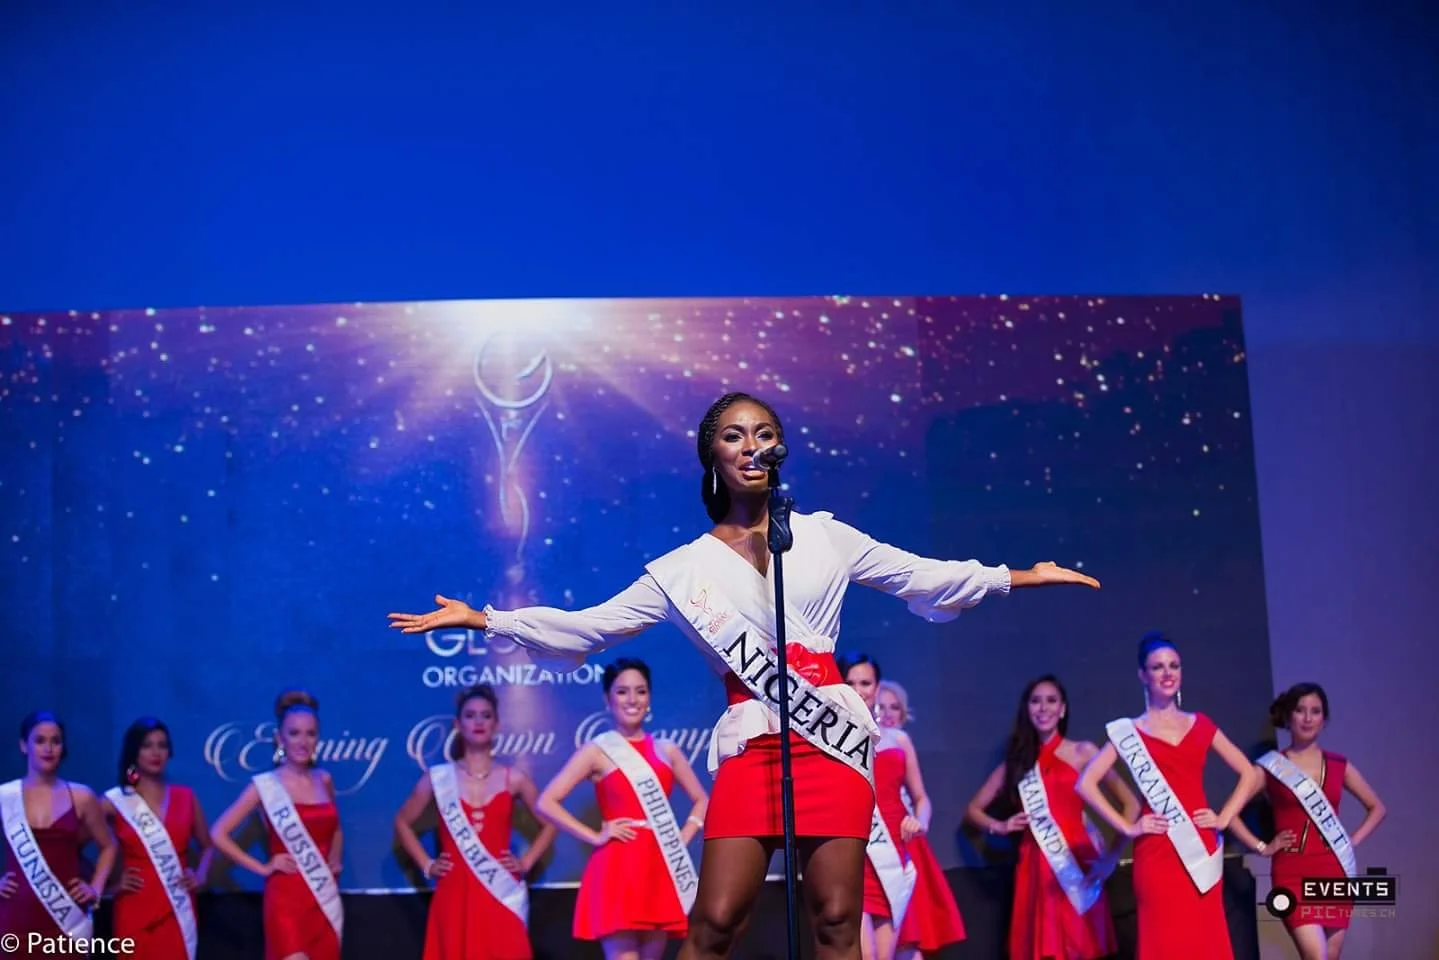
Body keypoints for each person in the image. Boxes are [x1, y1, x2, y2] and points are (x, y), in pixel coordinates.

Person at [390, 390, 1100, 960]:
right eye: (732, 434)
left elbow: (922, 574)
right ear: (711, 456)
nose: (749, 444)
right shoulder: (681, 570)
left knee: (835, 916)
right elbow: (592, 626)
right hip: (753, 744)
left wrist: (1021, 575)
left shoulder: (823, 535)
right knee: (718, 917)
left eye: (761, 432)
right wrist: (489, 620)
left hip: (830, 743)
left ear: (778, 450)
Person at [1076, 633, 1257, 960]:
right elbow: (1085, 783)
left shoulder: (1201, 724)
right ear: (1142, 675)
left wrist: (1224, 817)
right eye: (1157, 667)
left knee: (1205, 942)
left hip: (1199, 847)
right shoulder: (1129, 731)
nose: (1167, 672)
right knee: (1165, 944)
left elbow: (1250, 774)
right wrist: (1128, 827)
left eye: (1173, 665)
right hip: (1157, 853)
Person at [536, 658, 710, 960]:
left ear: (650, 697)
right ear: (608, 699)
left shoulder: (667, 750)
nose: (632, 700)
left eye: (640, 691)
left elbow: (703, 799)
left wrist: (683, 836)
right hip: (617, 865)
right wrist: (594, 835)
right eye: (622, 692)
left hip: (661, 863)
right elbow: (546, 801)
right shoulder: (598, 750)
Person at [965, 675, 1133, 960]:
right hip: (1036, 863)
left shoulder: (1084, 752)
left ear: (1063, 709)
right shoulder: (1018, 762)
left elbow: (1130, 804)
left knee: (1082, 946)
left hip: (1077, 862)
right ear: (1026, 709)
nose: (1043, 708)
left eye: (1051, 701)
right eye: (1036, 701)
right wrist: (1001, 826)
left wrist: (1111, 858)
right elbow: (973, 811)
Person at [393, 684, 557, 960]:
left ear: (497, 723)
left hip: (500, 892)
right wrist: (427, 863)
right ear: (458, 724)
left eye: (485, 715)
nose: (478, 722)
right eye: (470, 715)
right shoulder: (438, 778)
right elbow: (401, 822)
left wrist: (526, 862)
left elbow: (551, 821)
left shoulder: (513, 778)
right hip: (454, 893)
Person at [1227, 683, 1386, 960]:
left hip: (1334, 869)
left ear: (1324, 720)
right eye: (1300, 711)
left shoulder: (1339, 765)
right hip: (1292, 873)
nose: (1308, 718)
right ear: (1288, 718)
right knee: (1316, 956)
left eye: (1316, 711)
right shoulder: (1271, 766)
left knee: (1331, 956)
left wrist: (1352, 840)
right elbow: (1230, 814)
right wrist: (1263, 846)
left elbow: (1377, 808)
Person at [838, 654, 962, 960]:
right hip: (854, 852)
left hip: (893, 852)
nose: (858, 689)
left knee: (887, 956)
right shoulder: (831, 738)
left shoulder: (898, 740)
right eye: (850, 683)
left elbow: (922, 798)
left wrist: (920, 822)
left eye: (865, 683)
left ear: (877, 687)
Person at [210, 691, 344, 960]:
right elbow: (218, 833)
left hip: (325, 897)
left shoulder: (324, 780)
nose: (303, 741)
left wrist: (336, 858)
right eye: (294, 734)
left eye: (310, 734)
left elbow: (336, 828)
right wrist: (262, 867)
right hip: (286, 901)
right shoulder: (264, 786)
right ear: (280, 738)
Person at [0, 711, 117, 951]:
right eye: (40, 740)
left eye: (56, 741)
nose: (48, 748)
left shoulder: (82, 796)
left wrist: (95, 888)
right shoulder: (5, 797)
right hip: (16, 920)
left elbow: (109, 845)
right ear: (24, 745)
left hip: (68, 922)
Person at [103, 716, 214, 960]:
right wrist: (107, 887)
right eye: (147, 745)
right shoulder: (114, 802)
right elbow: (72, 843)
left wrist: (201, 875)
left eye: (162, 745)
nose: (156, 753)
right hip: (134, 909)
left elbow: (208, 847)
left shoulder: (186, 797)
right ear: (134, 752)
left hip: (179, 909)